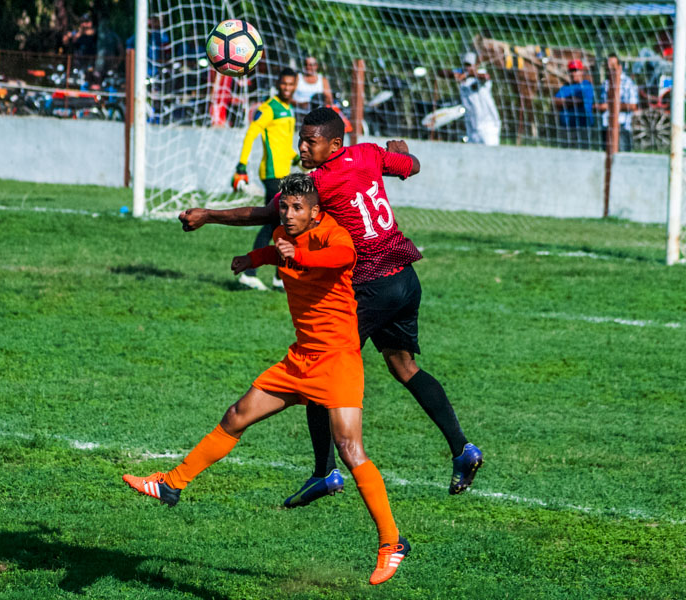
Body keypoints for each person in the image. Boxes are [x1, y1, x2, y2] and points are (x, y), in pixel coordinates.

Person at [179, 107, 483, 507]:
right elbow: (412, 165)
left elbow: (267, 213)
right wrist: (405, 154)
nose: (301, 147)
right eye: (301, 140)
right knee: (403, 366)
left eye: (310, 142)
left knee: (320, 366)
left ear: (333, 144)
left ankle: (324, 473)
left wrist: (209, 215)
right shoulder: (369, 153)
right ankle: (463, 450)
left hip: (373, 283)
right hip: (405, 277)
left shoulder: (319, 183)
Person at [125, 174, 410, 586]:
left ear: (316, 211)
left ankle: (391, 541)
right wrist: (252, 260)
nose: (288, 214)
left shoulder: (335, 236)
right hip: (299, 361)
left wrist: (295, 256)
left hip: (337, 362)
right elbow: (279, 254)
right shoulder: (281, 235)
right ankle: (171, 485)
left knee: (350, 449)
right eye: (284, 207)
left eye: (297, 209)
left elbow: (340, 260)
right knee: (237, 414)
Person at [233, 67, 298, 291]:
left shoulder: (288, 109)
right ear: (278, 84)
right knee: (274, 225)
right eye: (284, 84)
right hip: (272, 175)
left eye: (291, 84)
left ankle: (278, 277)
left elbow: (284, 146)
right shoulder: (269, 108)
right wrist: (241, 164)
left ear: (295, 85)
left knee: (280, 226)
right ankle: (251, 273)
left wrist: (298, 158)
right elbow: (252, 132)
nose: (287, 88)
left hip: (285, 173)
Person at [596, 53, 639, 152]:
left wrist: (610, 106)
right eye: (608, 67)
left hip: (622, 128)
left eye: (613, 67)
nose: (610, 70)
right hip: (606, 127)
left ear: (619, 67)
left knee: (623, 161)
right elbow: (601, 103)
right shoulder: (605, 84)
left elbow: (633, 106)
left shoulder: (628, 83)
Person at [457, 52, 501, 145]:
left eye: (469, 65)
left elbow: (486, 77)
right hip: (472, 128)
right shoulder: (463, 81)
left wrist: (468, 74)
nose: (466, 68)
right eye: (465, 65)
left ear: (476, 65)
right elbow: (442, 72)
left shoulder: (480, 75)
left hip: (488, 127)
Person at [554, 59, 595, 149]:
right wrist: (571, 101)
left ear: (581, 72)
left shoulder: (586, 85)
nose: (573, 73)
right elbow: (555, 102)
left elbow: (579, 100)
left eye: (576, 70)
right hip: (566, 128)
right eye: (571, 71)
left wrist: (564, 101)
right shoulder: (565, 87)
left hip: (582, 127)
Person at [292, 56, 333, 121]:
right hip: (298, 117)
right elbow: (289, 97)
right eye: (306, 64)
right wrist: (301, 104)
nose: (308, 67)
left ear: (316, 66)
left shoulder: (323, 80)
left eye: (311, 65)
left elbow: (330, 101)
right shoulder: (298, 78)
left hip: (317, 119)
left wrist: (316, 103)